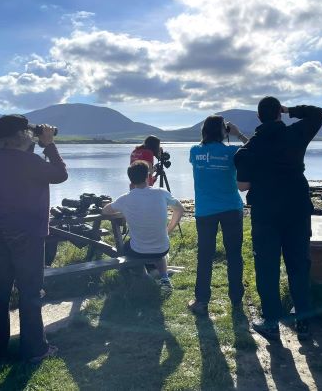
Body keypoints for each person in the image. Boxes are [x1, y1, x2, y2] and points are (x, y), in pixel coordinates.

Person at [234, 96, 322, 342]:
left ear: (258, 117)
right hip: (297, 210)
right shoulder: (295, 133)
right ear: (279, 113)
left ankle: (272, 324)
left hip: (265, 214)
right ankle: (303, 322)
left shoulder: (248, 149)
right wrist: (290, 110)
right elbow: (319, 113)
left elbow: (242, 186)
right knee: (299, 265)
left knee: (267, 268)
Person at [0, 115, 68, 363]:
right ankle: (34, 349)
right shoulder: (29, 161)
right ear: (22, 135)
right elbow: (60, 174)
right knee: (30, 291)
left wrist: (37, 145)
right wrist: (49, 144)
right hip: (26, 232)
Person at [187, 115, 249, 316]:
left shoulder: (195, 151)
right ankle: (236, 299)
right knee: (234, 254)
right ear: (224, 132)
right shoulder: (233, 151)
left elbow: (202, 149)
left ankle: (201, 300)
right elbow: (255, 149)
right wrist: (238, 134)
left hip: (205, 210)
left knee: (205, 254)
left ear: (204, 131)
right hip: (231, 208)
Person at [102, 160, 185, 290]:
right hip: (162, 248)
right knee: (158, 250)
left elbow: (105, 211)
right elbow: (180, 209)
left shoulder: (125, 198)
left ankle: (144, 274)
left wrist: (122, 206)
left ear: (130, 180)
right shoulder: (162, 193)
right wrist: (168, 230)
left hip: (139, 251)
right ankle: (164, 278)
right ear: (148, 176)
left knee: (126, 247)